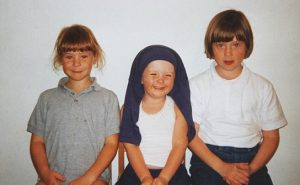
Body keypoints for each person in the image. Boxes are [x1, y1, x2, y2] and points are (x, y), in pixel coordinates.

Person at [188, 9, 288, 185]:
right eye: (221, 45)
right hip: (208, 159)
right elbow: (190, 135)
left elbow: (271, 137)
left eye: (235, 45)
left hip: (251, 159)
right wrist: (223, 168)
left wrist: (249, 170)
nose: (228, 53)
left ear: (247, 46)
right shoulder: (197, 85)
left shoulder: (263, 87)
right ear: (211, 46)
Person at [27, 24, 120, 185]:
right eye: (69, 57)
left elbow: (112, 144)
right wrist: (45, 173)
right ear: (60, 59)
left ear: (95, 58)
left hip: (94, 179)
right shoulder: (46, 98)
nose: (76, 63)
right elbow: (37, 142)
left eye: (83, 56)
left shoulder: (108, 99)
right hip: (52, 178)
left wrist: (89, 178)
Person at [115, 45, 195, 185]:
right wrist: (145, 177)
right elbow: (131, 145)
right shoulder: (130, 109)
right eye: (153, 74)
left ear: (175, 79)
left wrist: (164, 178)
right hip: (137, 171)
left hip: (172, 170)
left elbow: (179, 145)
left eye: (168, 75)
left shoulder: (177, 109)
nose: (161, 80)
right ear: (140, 78)